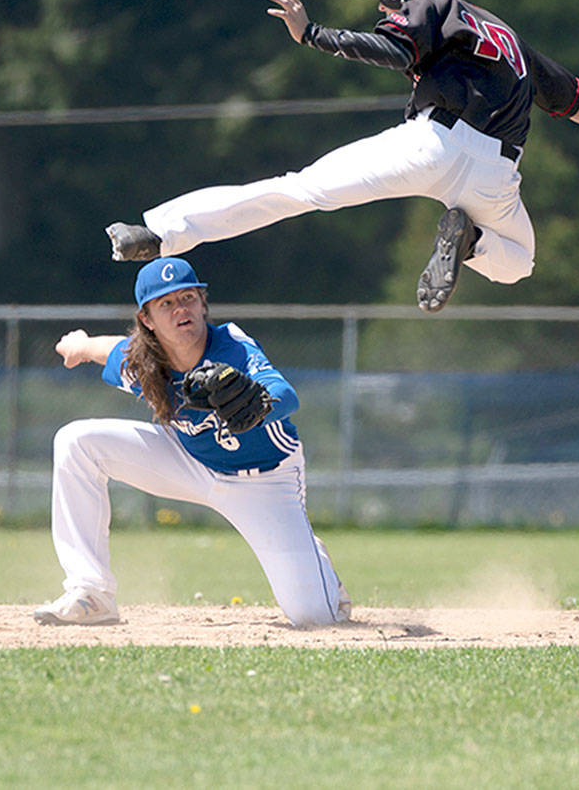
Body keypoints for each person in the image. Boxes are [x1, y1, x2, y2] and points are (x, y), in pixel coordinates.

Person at [106, 0, 579, 312]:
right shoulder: (507, 36)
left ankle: (159, 234)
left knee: (299, 191)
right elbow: (574, 100)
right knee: (519, 263)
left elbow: (395, 50)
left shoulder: (431, 8)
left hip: (432, 145)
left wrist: (315, 34)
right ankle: (472, 241)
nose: (384, 5)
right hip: (496, 174)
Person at [34, 256, 350, 627]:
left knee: (317, 618)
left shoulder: (231, 346)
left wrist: (261, 404)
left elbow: (286, 394)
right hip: (187, 461)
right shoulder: (144, 361)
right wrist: (81, 344)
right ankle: (91, 593)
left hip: (264, 482)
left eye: (187, 297)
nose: (180, 308)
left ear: (203, 303)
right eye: (166, 303)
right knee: (76, 441)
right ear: (147, 320)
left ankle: (313, 562)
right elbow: (110, 348)